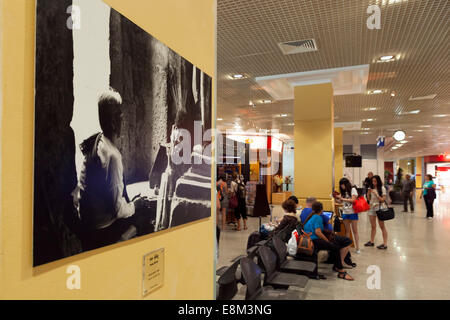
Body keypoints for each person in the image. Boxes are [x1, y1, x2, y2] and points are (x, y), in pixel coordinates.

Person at [76, 88, 150, 250]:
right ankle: (121, 245)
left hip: (87, 225)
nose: (123, 118)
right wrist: (136, 205)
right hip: (100, 232)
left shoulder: (97, 141)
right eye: (119, 114)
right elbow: (117, 210)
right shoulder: (112, 156)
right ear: (113, 121)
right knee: (144, 218)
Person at [303, 202, 354, 281]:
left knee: (334, 245)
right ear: (321, 210)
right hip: (314, 240)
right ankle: (340, 270)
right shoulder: (318, 217)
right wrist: (327, 241)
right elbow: (318, 232)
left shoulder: (312, 216)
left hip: (310, 239)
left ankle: (338, 266)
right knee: (335, 247)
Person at [335, 178, 360, 254]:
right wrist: (337, 198)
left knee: (355, 230)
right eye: (341, 185)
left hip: (353, 212)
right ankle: (347, 248)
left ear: (346, 184)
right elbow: (341, 201)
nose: (341, 186)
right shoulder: (343, 192)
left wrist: (342, 198)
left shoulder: (353, 190)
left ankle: (357, 248)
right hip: (345, 212)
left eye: (342, 184)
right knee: (347, 231)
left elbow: (353, 200)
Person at [365, 175, 388, 249]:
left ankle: (385, 243)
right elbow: (369, 198)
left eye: (375, 181)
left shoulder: (382, 188)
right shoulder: (371, 188)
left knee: (382, 226)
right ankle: (371, 241)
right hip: (372, 208)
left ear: (378, 181)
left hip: (379, 208)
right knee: (373, 226)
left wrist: (376, 194)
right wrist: (368, 193)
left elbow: (383, 200)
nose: (373, 183)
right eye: (372, 181)